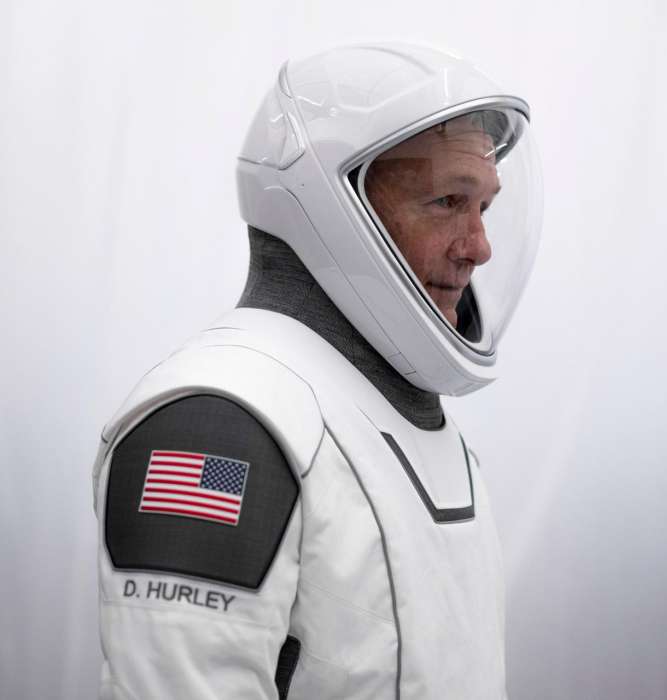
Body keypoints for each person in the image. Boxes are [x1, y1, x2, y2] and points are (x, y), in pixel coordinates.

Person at [93, 42, 542, 699]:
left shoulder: (388, 415)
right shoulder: (218, 426)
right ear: (331, 205)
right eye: (449, 200)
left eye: (485, 208)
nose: (479, 247)